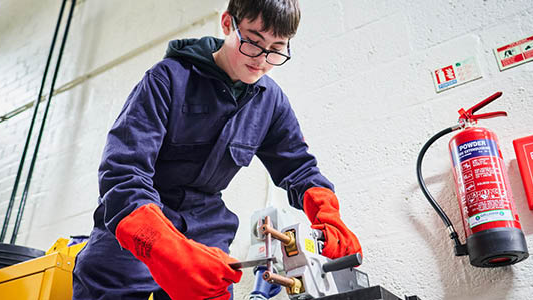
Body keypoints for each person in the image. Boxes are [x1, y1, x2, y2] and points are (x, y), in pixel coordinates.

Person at [72, 0, 361, 299]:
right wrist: (165, 247)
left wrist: (328, 214)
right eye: (253, 41)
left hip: (206, 234)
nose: (262, 59)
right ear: (227, 24)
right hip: (136, 236)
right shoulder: (168, 79)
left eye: (276, 49)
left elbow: (299, 168)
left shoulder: (271, 102)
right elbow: (122, 174)